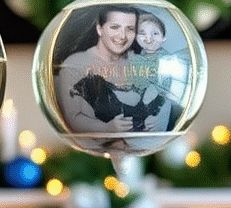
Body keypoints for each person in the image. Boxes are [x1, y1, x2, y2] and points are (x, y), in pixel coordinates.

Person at [55, 7, 170, 135]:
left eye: (130, 29)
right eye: (115, 27)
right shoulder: (75, 64)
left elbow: (164, 96)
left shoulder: (140, 62)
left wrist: (160, 119)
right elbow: (72, 118)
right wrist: (106, 128)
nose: (122, 36)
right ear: (99, 29)